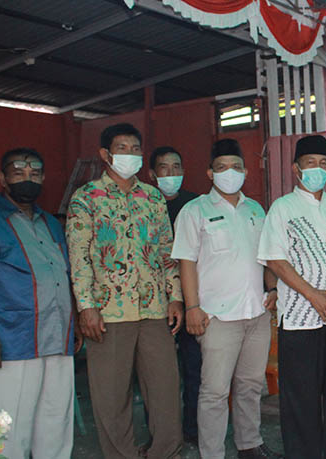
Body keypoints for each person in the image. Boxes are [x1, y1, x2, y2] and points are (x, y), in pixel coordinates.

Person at [66, 123, 183, 459]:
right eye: (122, 148)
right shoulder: (86, 198)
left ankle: (165, 453)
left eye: (135, 149)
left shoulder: (153, 197)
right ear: (105, 154)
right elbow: (79, 256)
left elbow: (167, 250)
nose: (130, 154)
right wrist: (86, 306)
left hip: (154, 309)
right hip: (108, 312)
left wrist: (175, 296)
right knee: (111, 396)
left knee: (165, 390)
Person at [0, 148, 79, 459]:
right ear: (2, 179)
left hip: (57, 335)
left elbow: (63, 276)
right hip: (12, 340)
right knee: (9, 423)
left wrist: (75, 323)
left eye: (34, 173)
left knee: (56, 419)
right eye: (19, 173)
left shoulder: (51, 224)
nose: (28, 179)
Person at [172, 139, 281, 459]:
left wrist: (273, 289)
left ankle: (249, 445)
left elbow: (266, 259)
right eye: (221, 168)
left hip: (256, 312)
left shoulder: (255, 210)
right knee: (215, 392)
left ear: (245, 172)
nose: (229, 173)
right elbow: (186, 263)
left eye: (235, 167)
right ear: (210, 173)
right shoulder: (194, 211)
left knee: (250, 385)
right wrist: (192, 307)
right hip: (216, 317)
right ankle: (212, 453)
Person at [257, 134, 326, 458]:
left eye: (323, 163)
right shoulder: (282, 208)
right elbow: (275, 260)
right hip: (300, 321)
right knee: (300, 400)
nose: (318, 168)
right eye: (310, 163)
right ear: (296, 168)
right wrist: (313, 296)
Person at [150, 145, 201, 444]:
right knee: (157, 375)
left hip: (192, 300)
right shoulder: (144, 205)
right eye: (164, 168)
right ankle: (161, 435)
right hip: (156, 303)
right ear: (152, 173)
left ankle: (193, 430)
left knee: (195, 369)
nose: (171, 173)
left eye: (176, 167)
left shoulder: (195, 205)